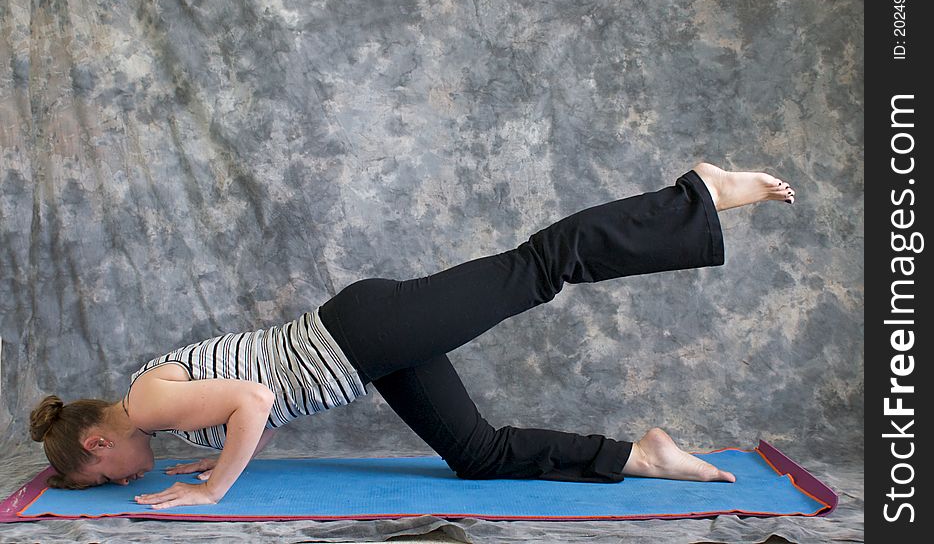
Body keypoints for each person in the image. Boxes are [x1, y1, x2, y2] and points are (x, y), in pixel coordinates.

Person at [29, 162, 795, 510]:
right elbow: (249, 393)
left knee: (539, 266)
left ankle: (697, 196)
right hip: (366, 343)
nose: (125, 480)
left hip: (362, 336)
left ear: (97, 443)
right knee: (477, 455)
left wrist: (209, 489)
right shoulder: (152, 391)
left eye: (107, 477)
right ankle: (640, 456)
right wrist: (210, 458)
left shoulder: (148, 405)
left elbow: (256, 397)